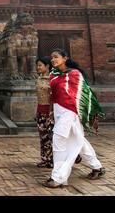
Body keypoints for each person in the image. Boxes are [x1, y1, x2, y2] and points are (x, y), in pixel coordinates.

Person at [42, 48, 105, 188]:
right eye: (51, 57)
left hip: (70, 112)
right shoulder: (53, 74)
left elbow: (83, 94)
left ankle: (57, 177)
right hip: (59, 111)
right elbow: (53, 94)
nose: (53, 60)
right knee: (78, 140)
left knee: (58, 140)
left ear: (65, 58)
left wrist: (89, 113)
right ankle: (97, 167)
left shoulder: (74, 74)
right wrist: (52, 110)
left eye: (56, 57)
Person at [35, 57, 54, 168]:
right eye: (37, 65)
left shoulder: (52, 79)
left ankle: (53, 160)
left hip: (49, 112)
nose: (38, 67)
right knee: (43, 137)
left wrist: (52, 112)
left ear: (47, 66)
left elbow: (53, 97)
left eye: (40, 65)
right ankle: (45, 159)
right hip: (40, 111)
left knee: (51, 137)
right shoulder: (39, 78)